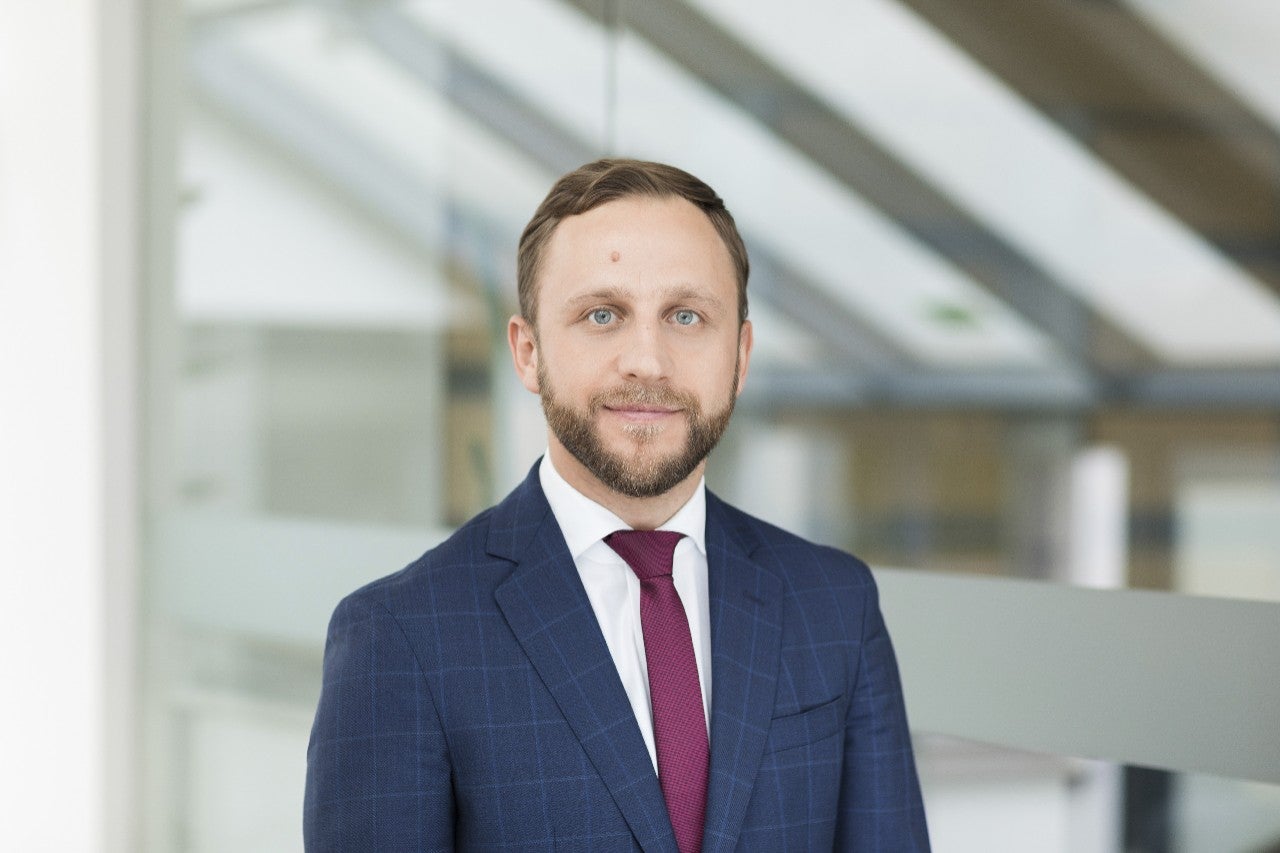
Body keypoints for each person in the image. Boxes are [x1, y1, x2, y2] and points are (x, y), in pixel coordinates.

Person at [303, 159, 930, 851]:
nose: (647, 361)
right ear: (528, 352)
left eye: (686, 316)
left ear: (741, 356)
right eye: (602, 315)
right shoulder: (401, 636)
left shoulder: (835, 605)